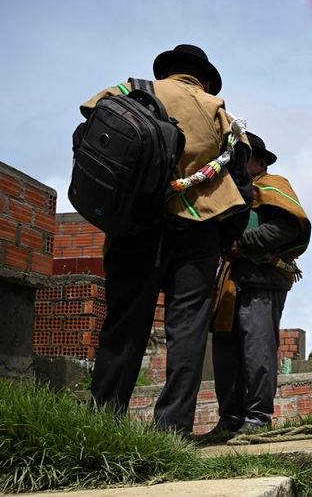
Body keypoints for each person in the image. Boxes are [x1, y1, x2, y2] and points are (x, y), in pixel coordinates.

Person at [82, 45, 252, 434]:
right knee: (187, 331)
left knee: (124, 325)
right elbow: (241, 187)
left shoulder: (127, 92)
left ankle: (103, 424)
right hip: (198, 231)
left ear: (167, 71)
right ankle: (172, 429)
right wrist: (223, 240)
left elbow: (87, 143)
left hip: (135, 227)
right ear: (203, 78)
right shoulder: (219, 112)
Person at [208, 132, 311, 436]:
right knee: (226, 354)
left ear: (261, 162)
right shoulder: (233, 192)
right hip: (231, 283)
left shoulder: (273, 186)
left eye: (245, 157)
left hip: (262, 281)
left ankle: (257, 418)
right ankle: (229, 419)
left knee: (257, 350)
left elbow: (287, 227)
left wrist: (243, 243)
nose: (237, 164)